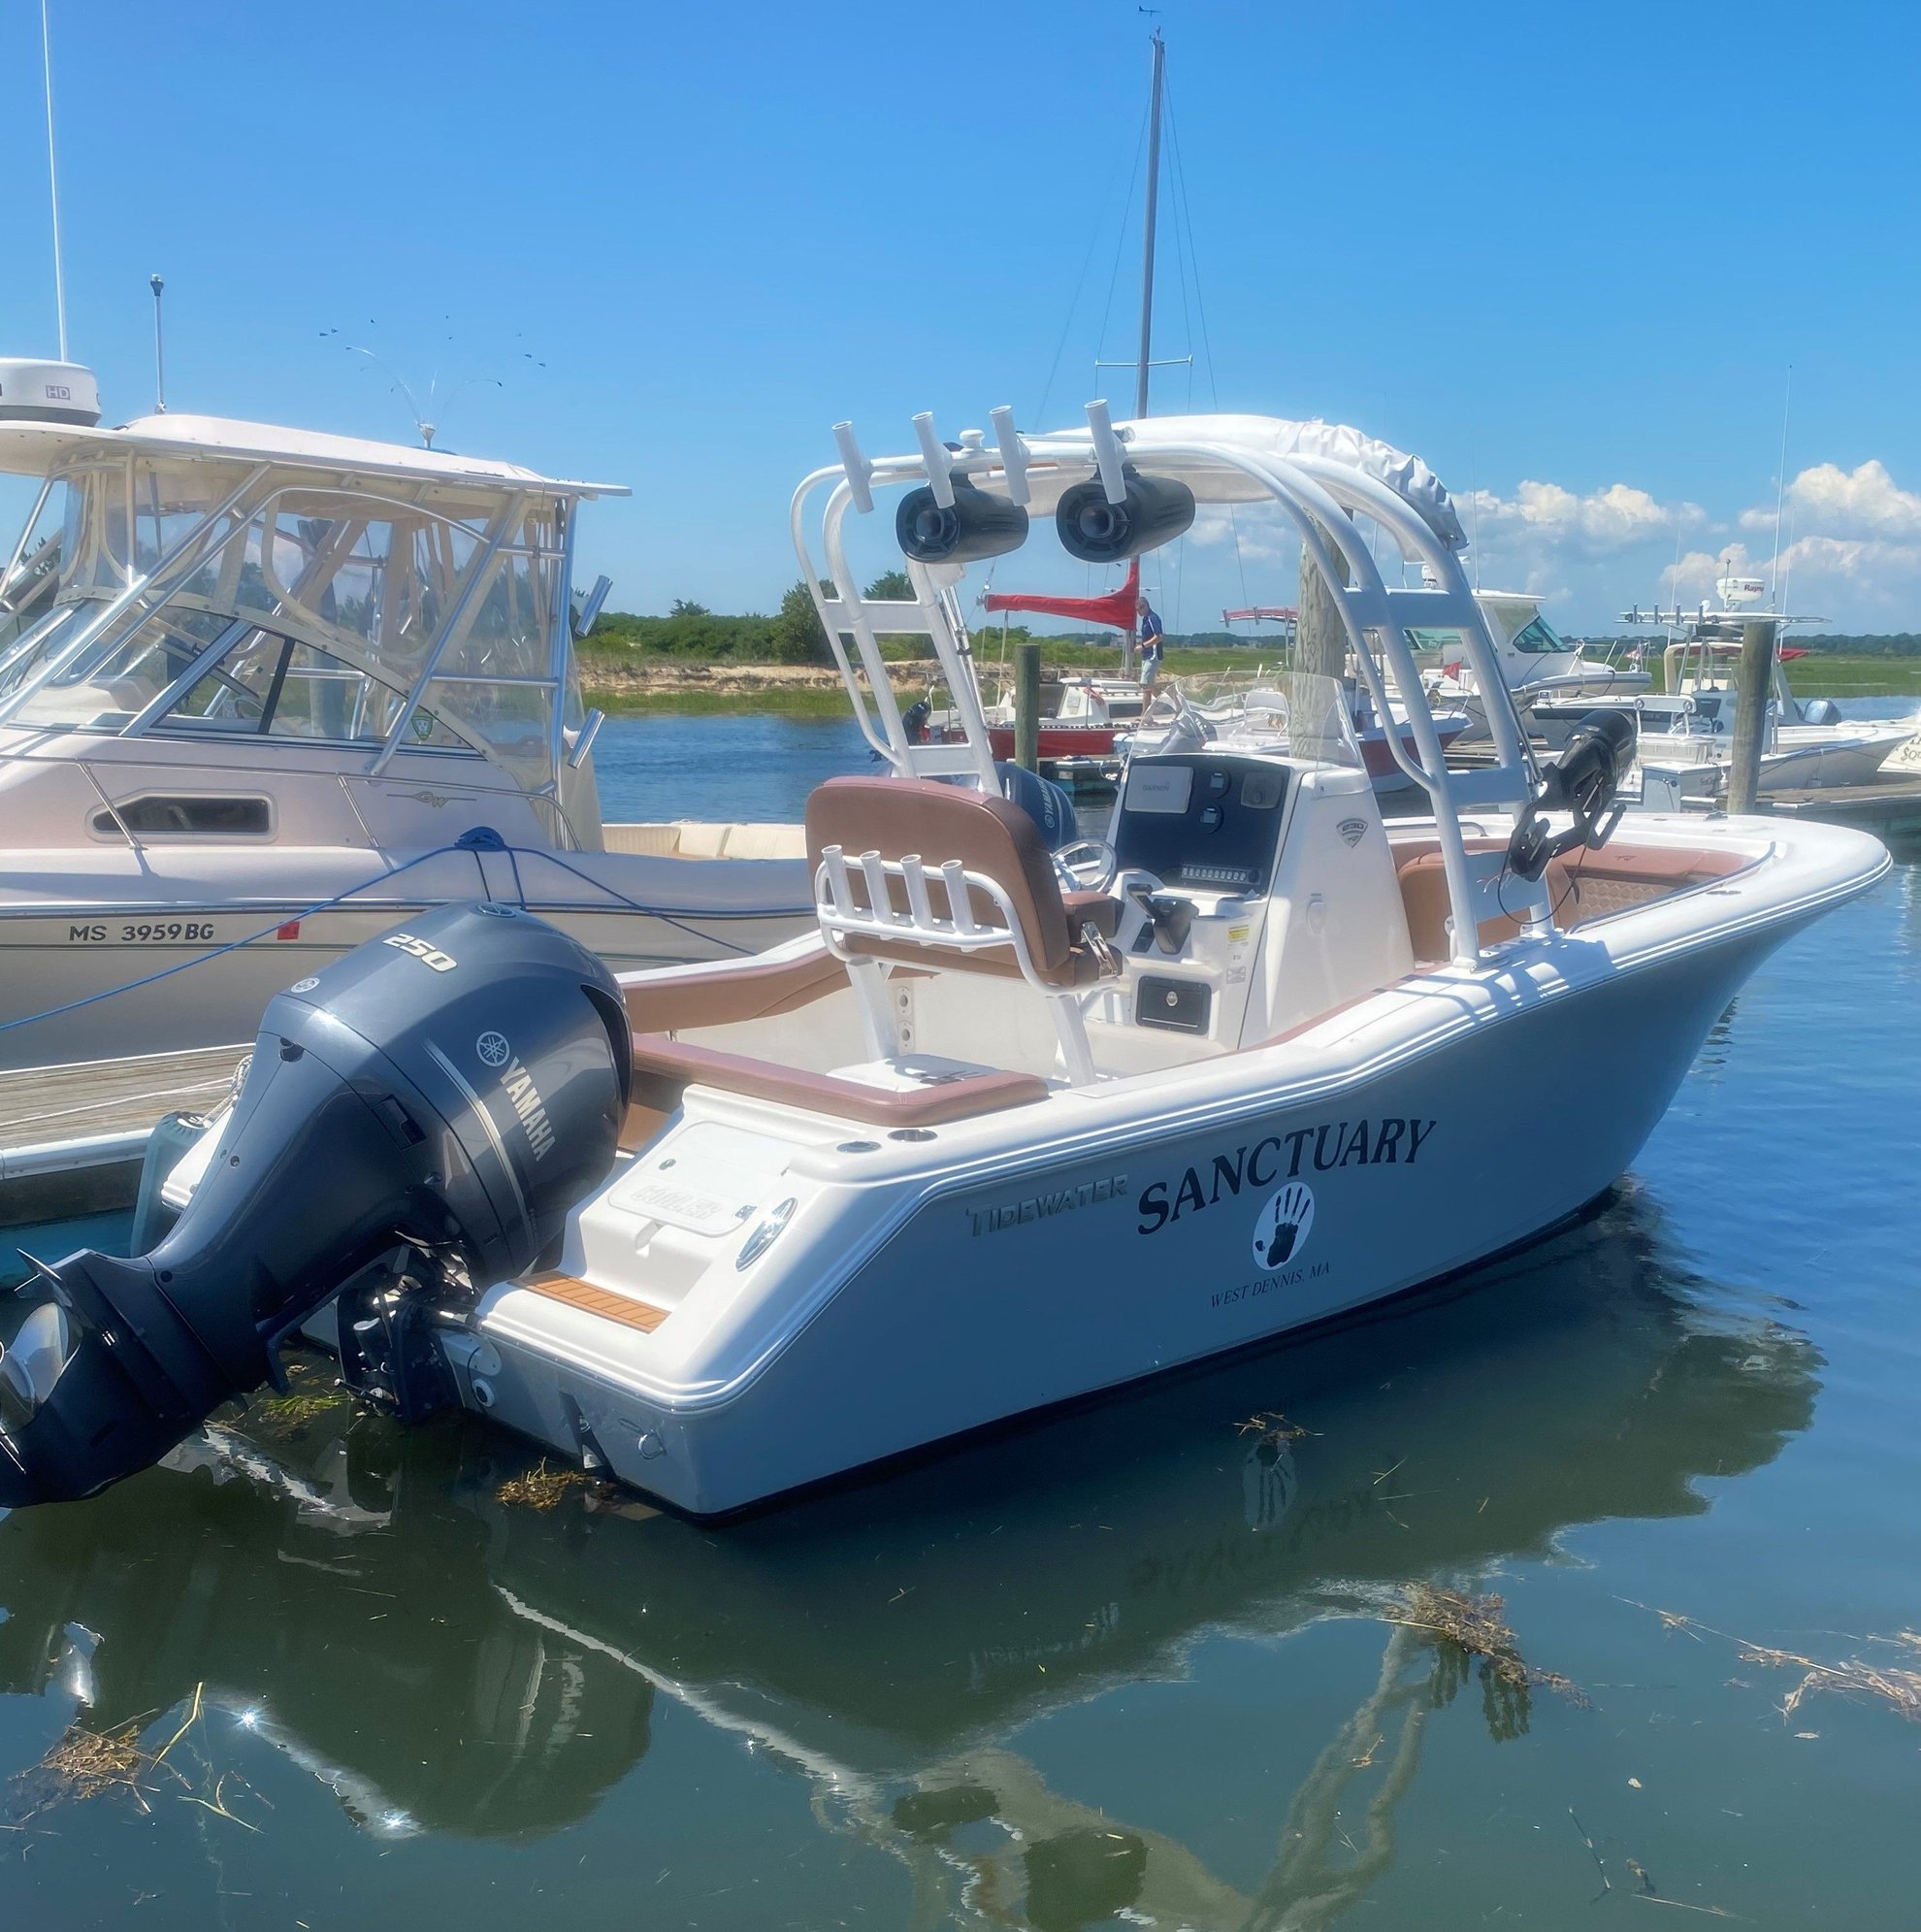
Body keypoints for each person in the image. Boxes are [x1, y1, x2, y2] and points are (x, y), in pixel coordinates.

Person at [1137, 599, 1165, 692]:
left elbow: (1159, 636)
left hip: (1153, 655)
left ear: (1146, 606)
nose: (1138, 612)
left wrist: (1143, 646)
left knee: (1145, 685)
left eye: (1139, 609)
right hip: (1146, 656)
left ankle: (1145, 707)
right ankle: (1170, 699)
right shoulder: (1145, 619)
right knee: (1148, 685)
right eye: (1136, 610)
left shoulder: (1152, 618)